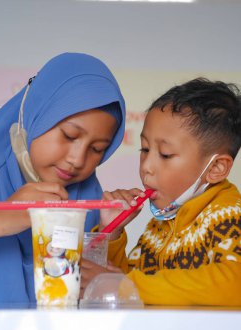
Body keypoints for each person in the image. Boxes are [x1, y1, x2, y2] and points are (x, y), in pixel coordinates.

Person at [0, 52, 125, 305]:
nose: (77, 159)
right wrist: (0, 218)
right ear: (36, 114)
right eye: (69, 135)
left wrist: (110, 233)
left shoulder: (86, 201)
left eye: (97, 149)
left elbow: (88, 302)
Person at [82, 78, 241, 306]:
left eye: (165, 154)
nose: (146, 166)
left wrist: (127, 285)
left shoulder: (228, 214)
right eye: (145, 149)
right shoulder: (161, 227)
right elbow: (135, 286)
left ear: (215, 169)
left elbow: (234, 284)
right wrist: (113, 233)